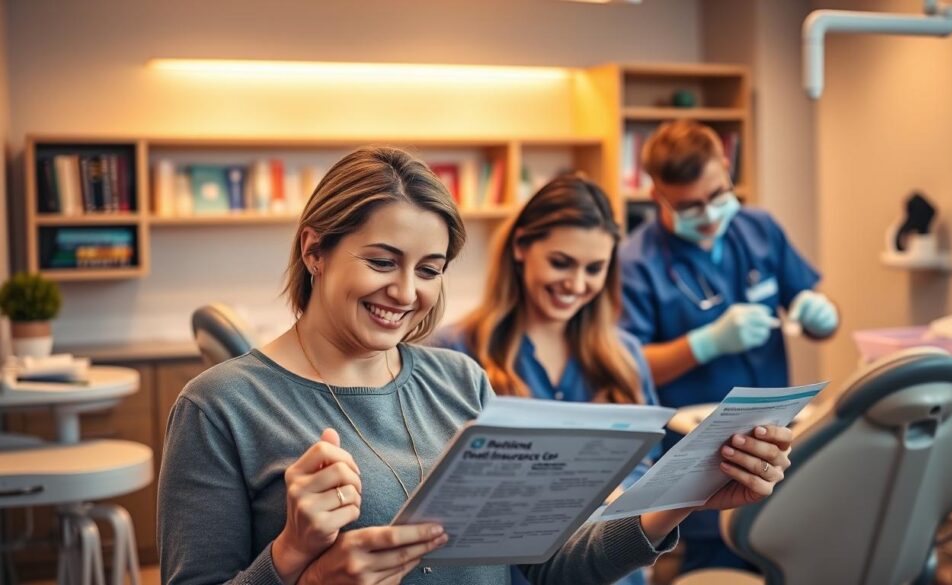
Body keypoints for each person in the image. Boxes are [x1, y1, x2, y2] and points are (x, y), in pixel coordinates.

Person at [158, 146, 795, 585]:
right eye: (382, 262)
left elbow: (550, 567)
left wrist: (681, 497)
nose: (406, 293)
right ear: (316, 249)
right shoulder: (221, 406)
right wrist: (295, 558)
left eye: (429, 270)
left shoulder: (458, 381)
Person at [618, 120, 839, 573]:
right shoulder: (636, 262)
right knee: (718, 564)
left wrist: (822, 314)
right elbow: (626, 366)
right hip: (698, 453)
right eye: (690, 206)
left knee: (785, 554)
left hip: (775, 441)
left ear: (725, 165)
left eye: (718, 195)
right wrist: (705, 343)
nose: (710, 214)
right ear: (657, 192)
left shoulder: (759, 228)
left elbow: (812, 317)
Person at [432, 174, 660, 585]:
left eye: (594, 269)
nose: (575, 285)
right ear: (521, 247)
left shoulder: (625, 356)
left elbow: (644, 475)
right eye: (561, 263)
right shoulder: (454, 353)